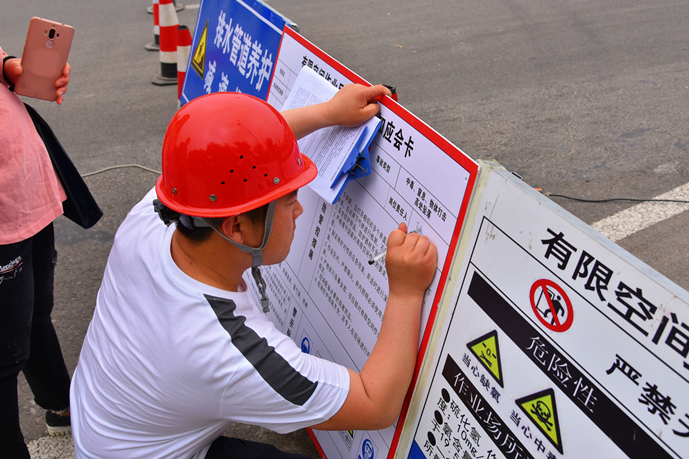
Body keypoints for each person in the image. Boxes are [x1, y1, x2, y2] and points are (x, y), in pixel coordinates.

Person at [70, 87, 437, 459]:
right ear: (237, 228)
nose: (299, 212)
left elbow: (226, 158)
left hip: (107, 426)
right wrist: (405, 291)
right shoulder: (225, 348)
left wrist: (328, 113)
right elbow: (375, 403)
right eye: (290, 202)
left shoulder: (157, 215)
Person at [0, 48, 73, 458]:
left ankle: (61, 406)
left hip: (26, 184)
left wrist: (9, 67)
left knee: (35, 315)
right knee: (2, 358)